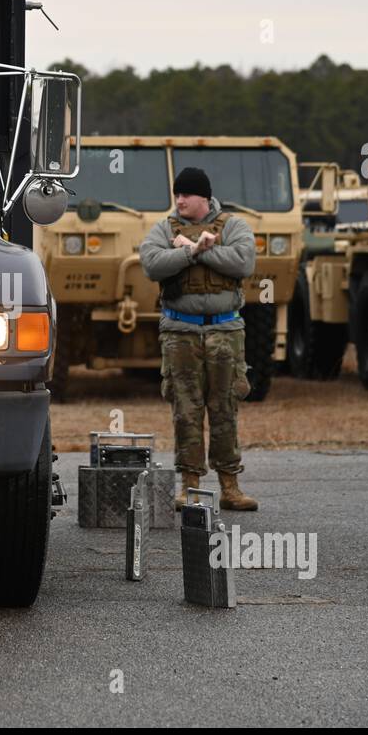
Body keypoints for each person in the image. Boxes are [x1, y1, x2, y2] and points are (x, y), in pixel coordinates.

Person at [140, 167, 258, 511]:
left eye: (186, 195)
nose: (180, 201)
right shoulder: (165, 228)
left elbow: (243, 261)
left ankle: (230, 486)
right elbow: (151, 263)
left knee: (225, 408)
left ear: (204, 197)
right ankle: (189, 485)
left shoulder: (233, 226)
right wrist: (190, 252)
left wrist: (199, 249)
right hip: (180, 332)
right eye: (177, 195)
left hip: (225, 331)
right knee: (185, 411)